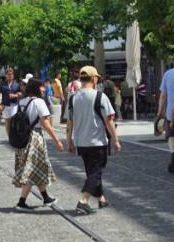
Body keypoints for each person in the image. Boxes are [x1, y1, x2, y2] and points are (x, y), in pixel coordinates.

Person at [66, 65, 122, 213]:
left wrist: (69, 141)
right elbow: (109, 120)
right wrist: (116, 140)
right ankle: (83, 200)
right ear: (93, 78)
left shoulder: (73, 98)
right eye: (97, 77)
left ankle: (101, 199)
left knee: (92, 171)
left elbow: (69, 122)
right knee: (96, 172)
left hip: (81, 142)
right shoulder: (99, 96)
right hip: (97, 141)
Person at [12, 78, 64, 209]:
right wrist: (57, 140)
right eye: (41, 87)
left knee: (37, 167)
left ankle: (46, 197)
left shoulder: (22, 101)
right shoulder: (39, 102)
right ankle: (22, 202)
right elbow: (46, 124)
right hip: (35, 138)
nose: (44, 89)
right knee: (31, 169)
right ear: (36, 88)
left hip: (22, 138)